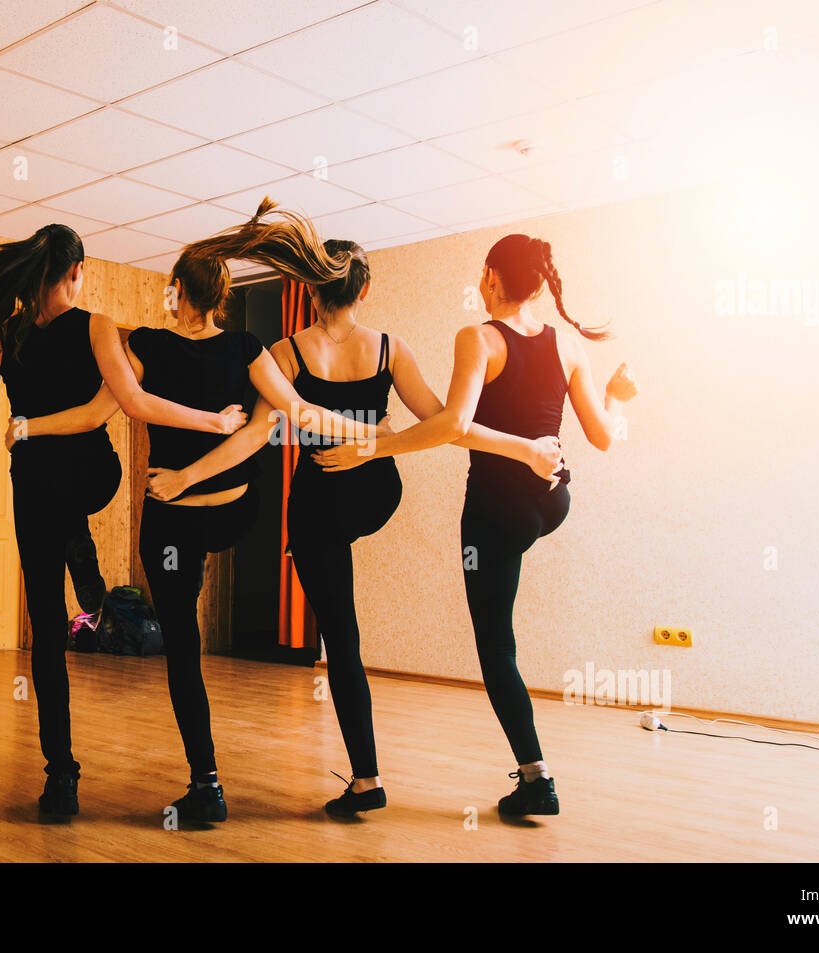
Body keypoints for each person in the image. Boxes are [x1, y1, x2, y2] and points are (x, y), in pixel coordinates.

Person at [148, 239, 565, 817]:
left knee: (341, 639)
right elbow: (447, 422)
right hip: (377, 491)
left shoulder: (288, 352)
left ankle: (367, 781)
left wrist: (187, 478)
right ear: (364, 290)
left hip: (320, 498)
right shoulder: (391, 349)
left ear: (312, 290)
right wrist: (521, 448)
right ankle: (499, 770)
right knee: (359, 604)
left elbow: (253, 435)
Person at [7, 201, 388, 825]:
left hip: (174, 520)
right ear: (224, 296)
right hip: (236, 512)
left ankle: (207, 785)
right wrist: (370, 434)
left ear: (175, 292)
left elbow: (102, 412)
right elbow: (295, 411)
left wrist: (28, 427)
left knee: (183, 648)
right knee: (216, 551)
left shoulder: (149, 346)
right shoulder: (247, 346)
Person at [0, 224, 247, 819]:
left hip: (45, 484)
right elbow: (134, 405)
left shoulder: (3, 333)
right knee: (53, 596)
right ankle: (61, 771)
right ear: (76, 272)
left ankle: (61, 778)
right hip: (88, 473)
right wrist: (215, 422)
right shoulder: (95, 325)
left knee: (48, 628)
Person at [313, 233, 639, 817]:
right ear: (539, 284)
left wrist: (372, 447)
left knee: (496, 648)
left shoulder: (479, 338)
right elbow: (604, 436)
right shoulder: (568, 347)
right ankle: (531, 777)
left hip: (496, 510)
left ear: (490, 278)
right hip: (552, 503)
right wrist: (619, 397)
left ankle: (537, 779)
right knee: (503, 625)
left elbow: (452, 425)